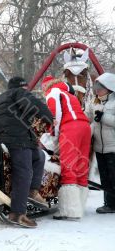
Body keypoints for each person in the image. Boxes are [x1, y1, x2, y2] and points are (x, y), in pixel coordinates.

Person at [0, 76, 53, 227]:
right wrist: (49, 118)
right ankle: (17, 214)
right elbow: (35, 104)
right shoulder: (19, 93)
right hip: (16, 138)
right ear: (22, 87)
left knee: (39, 155)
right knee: (24, 171)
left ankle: (32, 191)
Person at [42, 76, 91, 220]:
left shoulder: (53, 93)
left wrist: (53, 136)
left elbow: (54, 116)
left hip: (71, 127)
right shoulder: (69, 94)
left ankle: (68, 211)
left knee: (68, 166)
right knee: (81, 167)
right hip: (85, 127)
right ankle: (79, 207)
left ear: (46, 86)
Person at [85, 72, 115, 213]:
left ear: (109, 87)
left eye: (100, 87)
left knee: (114, 176)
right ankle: (108, 204)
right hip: (99, 147)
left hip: (113, 146)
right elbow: (88, 119)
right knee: (105, 177)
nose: (97, 90)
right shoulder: (93, 102)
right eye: (96, 87)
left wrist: (104, 117)